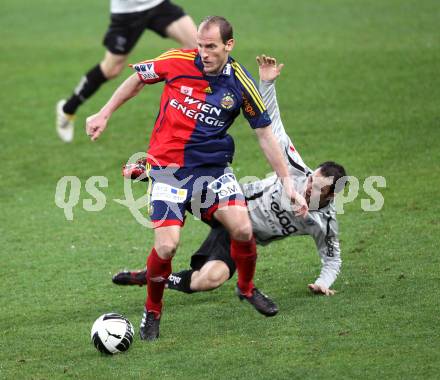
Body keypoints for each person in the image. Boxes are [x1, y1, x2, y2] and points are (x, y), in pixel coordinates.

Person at [85, 17, 308, 341]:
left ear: (229, 46)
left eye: (211, 47)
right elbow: (137, 78)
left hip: (213, 170)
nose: (203, 53)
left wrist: (287, 181)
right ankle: (153, 310)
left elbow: (263, 133)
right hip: (167, 170)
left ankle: (246, 288)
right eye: (201, 46)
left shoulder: (240, 84)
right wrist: (104, 113)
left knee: (243, 228)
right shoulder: (177, 61)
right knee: (166, 247)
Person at [113, 55, 346, 299]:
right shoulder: (296, 169)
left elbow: (332, 259)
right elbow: (273, 126)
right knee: (189, 186)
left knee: (208, 280)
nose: (308, 187)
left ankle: (152, 276)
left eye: (316, 188)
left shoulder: (324, 223)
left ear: (331, 194)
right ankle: (155, 171)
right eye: (311, 181)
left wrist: (322, 282)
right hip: (229, 203)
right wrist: (267, 84)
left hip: (242, 235)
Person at [56, 0, 198, 142]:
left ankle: (198, 112)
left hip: (157, 4)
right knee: (111, 69)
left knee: (198, 47)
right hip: (127, 12)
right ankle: (67, 110)